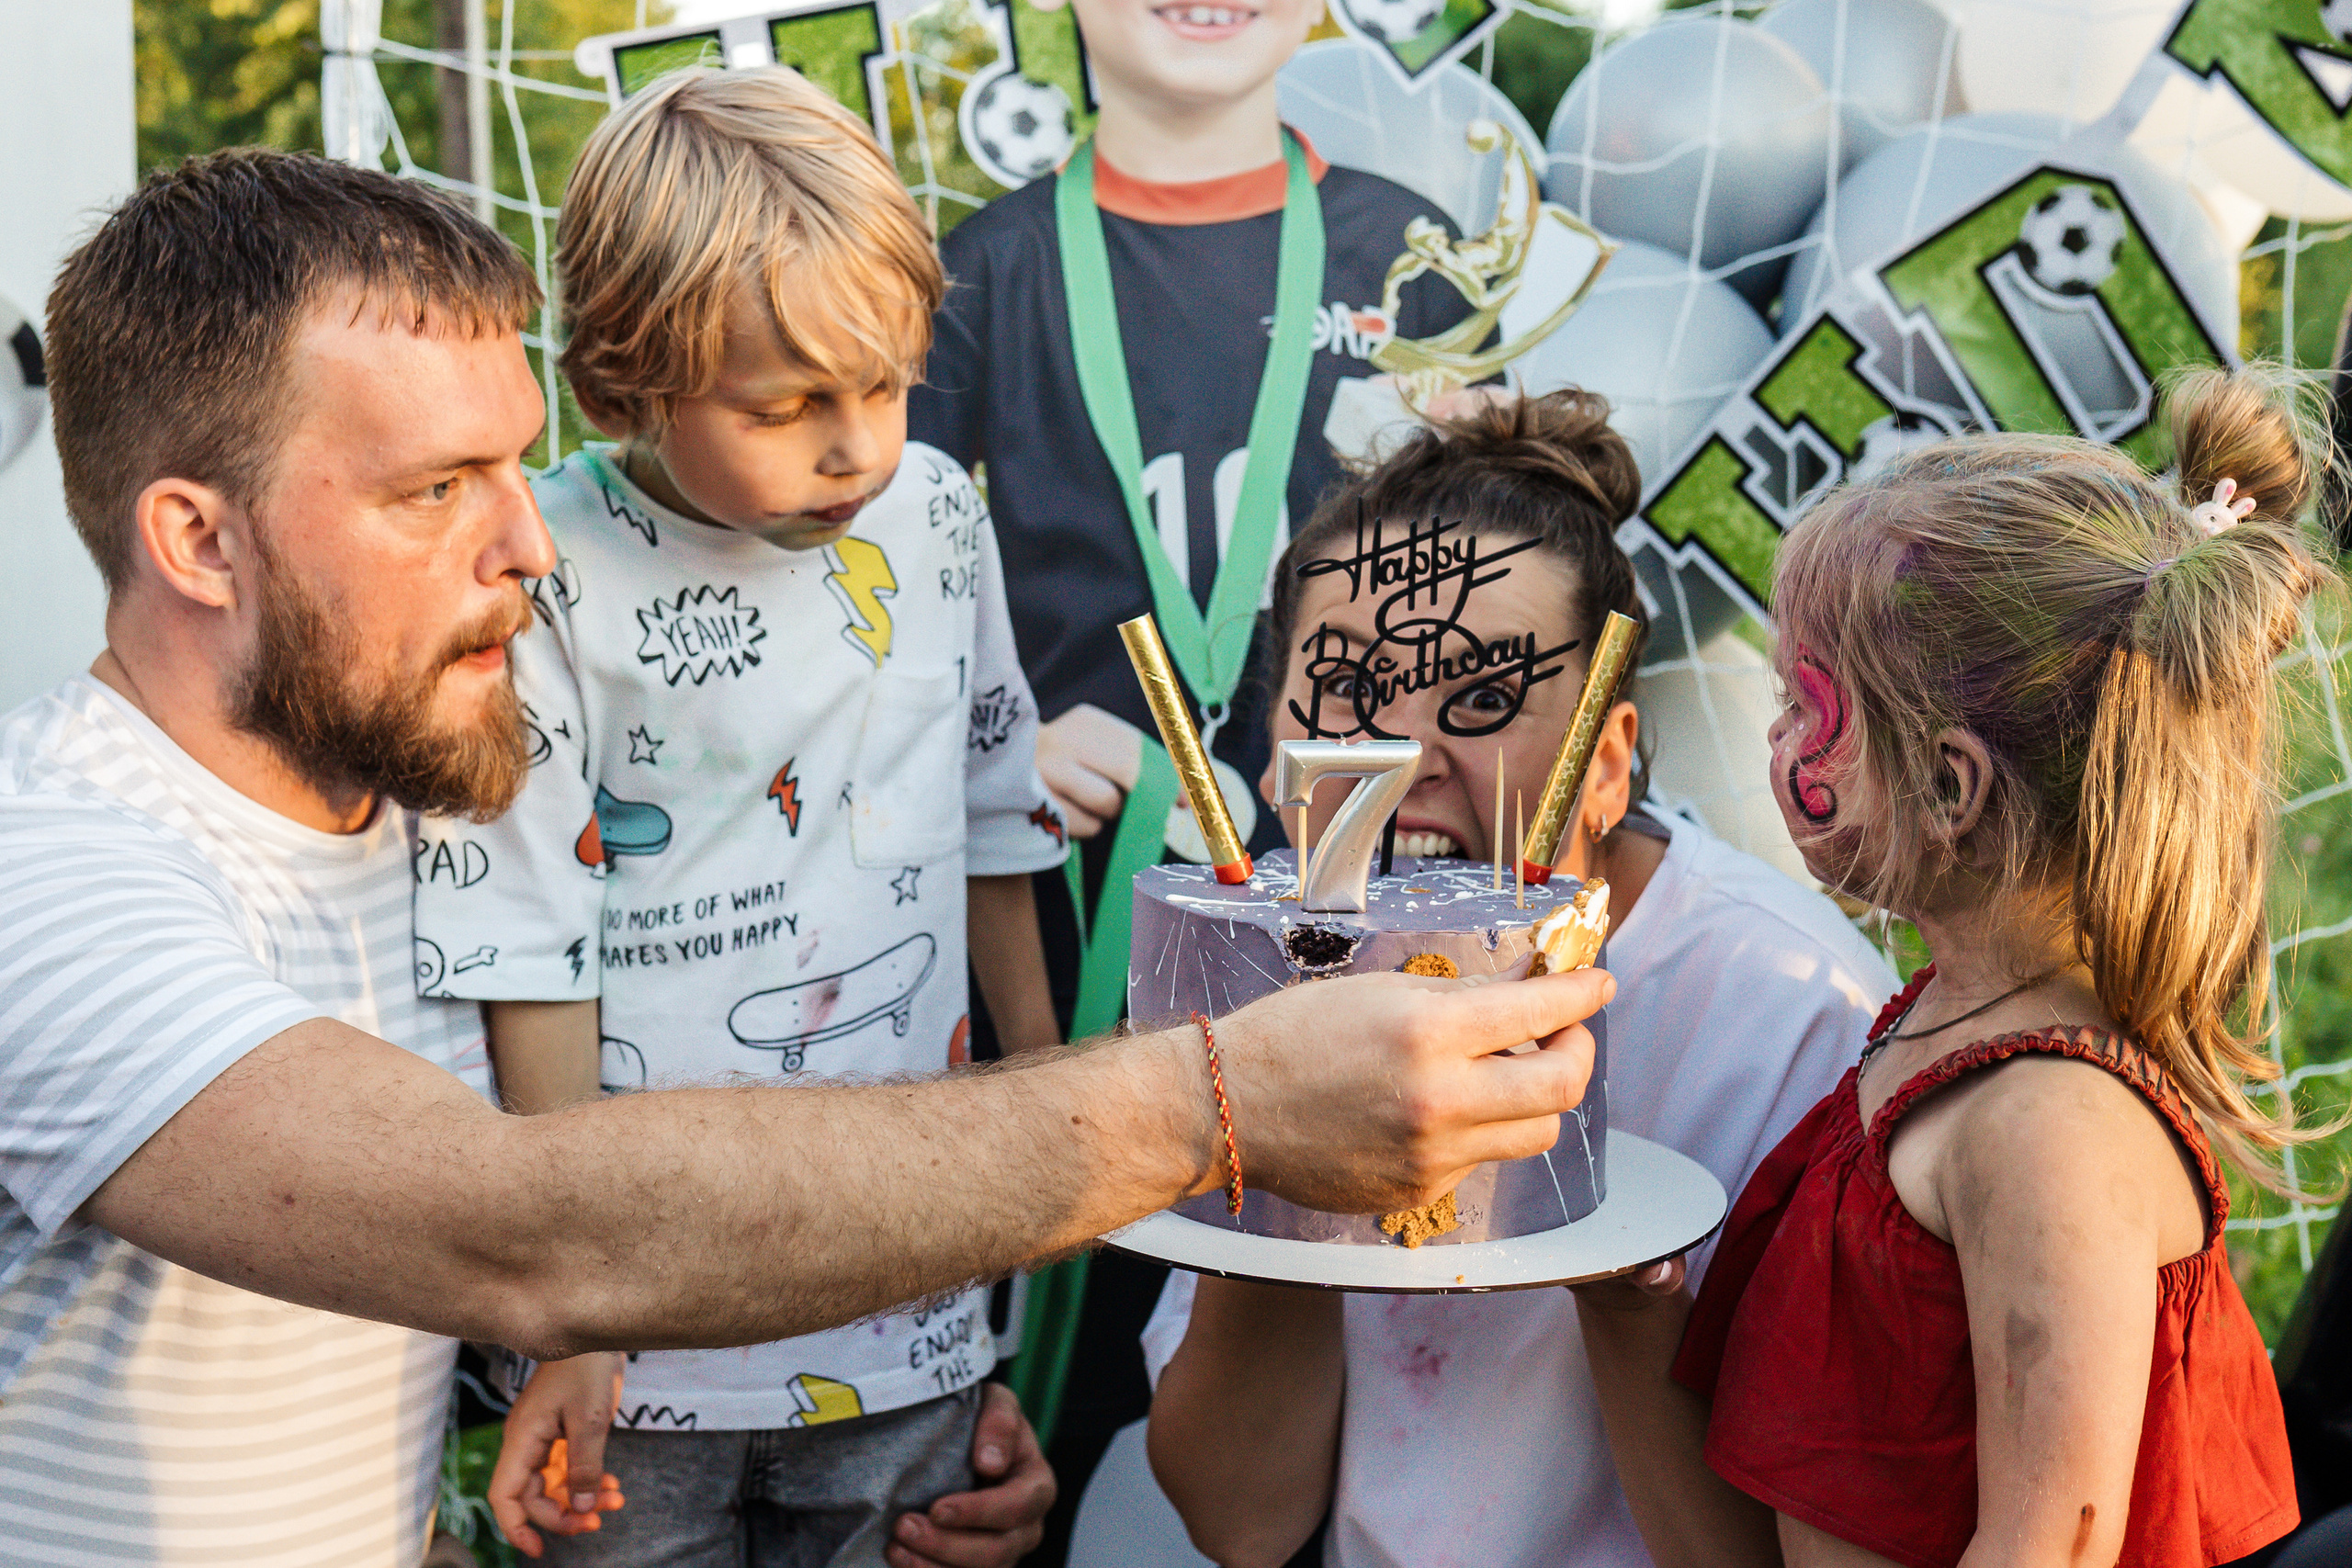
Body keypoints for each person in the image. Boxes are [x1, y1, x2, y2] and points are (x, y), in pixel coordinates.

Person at [0, 147, 1611, 1568]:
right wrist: (1217, 1101)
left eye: (515, 467)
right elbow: (533, 1233)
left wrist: (935, 1383)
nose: (533, 543)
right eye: (437, 489)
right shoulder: (53, 872)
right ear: (197, 538)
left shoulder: (422, 819)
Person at [408, 67, 1069, 1565]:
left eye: (887, 386)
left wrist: (1048, 1119)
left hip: (905, 1295)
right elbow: (526, 937)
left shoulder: (937, 518)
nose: (855, 447)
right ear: (621, 384)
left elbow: (995, 814)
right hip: (635, 1343)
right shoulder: (539, 564)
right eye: (783, 407)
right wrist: (573, 1307)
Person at [1577, 368, 2320, 1567]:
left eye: (1804, 706)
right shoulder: (1940, 1022)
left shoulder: (2049, 1131)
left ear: (1946, 784)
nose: (1773, 738)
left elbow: (2053, 1546)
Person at [1139, 392, 1896, 1568]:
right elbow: (1239, 1517)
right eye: (1346, 693)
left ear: (1607, 766)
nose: (1399, 761)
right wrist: (1288, 1146)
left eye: (1483, 698)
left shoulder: (1799, 1014)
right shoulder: (1255, 963)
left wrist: (1625, 1282)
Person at [906, 0, 1480, 1532]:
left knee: (1304, 1339)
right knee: (1056, 1380)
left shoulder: (1408, 255)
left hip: (1341, 915)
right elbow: (873, 589)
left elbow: (1492, 583)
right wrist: (998, 742)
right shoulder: (983, 269)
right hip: (1061, 927)